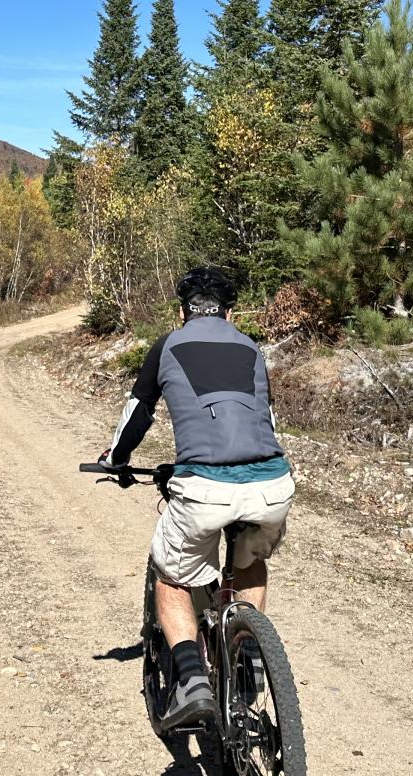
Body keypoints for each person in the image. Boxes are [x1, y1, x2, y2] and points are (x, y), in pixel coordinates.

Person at [99, 266, 294, 731]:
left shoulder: (169, 344)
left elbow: (138, 413)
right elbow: (262, 419)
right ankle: (246, 663)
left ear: (182, 311)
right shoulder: (251, 348)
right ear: (230, 312)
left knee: (172, 578)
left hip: (205, 486)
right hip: (272, 483)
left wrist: (116, 458)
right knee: (248, 562)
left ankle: (191, 681)